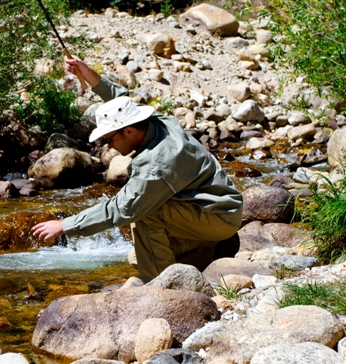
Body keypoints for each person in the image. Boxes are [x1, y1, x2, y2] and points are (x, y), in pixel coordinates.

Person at [32, 57, 243, 283]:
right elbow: (120, 99)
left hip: (219, 217)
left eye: (109, 139)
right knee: (136, 257)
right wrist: (88, 73)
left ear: (130, 131)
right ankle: (212, 249)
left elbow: (123, 208)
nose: (108, 145)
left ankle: (164, 288)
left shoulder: (157, 163)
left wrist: (66, 225)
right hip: (218, 207)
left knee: (144, 212)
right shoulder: (156, 121)